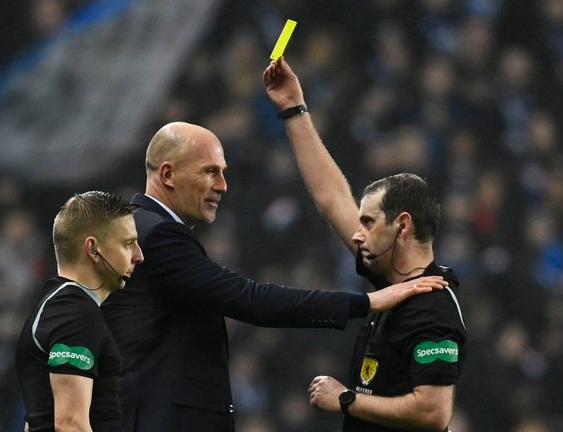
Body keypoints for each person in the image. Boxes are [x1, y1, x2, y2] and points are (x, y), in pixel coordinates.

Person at [100, 121, 449, 432]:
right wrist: (365, 302)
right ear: (167, 174)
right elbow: (250, 299)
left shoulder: (138, 229)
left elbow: (332, 201)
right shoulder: (157, 236)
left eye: (223, 171)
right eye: (209, 172)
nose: (222, 185)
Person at [264, 57, 467, 431]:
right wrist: (294, 110)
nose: (357, 234)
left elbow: (433, 412)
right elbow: (331, 198)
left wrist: (346, 398)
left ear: (402, 226)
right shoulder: (394, 287)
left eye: (369, 223)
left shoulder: (431, 307)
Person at [16, 191, 144, 431]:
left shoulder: (57, 306)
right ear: (93, 249)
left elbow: (36, 422)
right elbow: (69, 423)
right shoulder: (75, 314)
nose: (139, 256)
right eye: (128, 243)